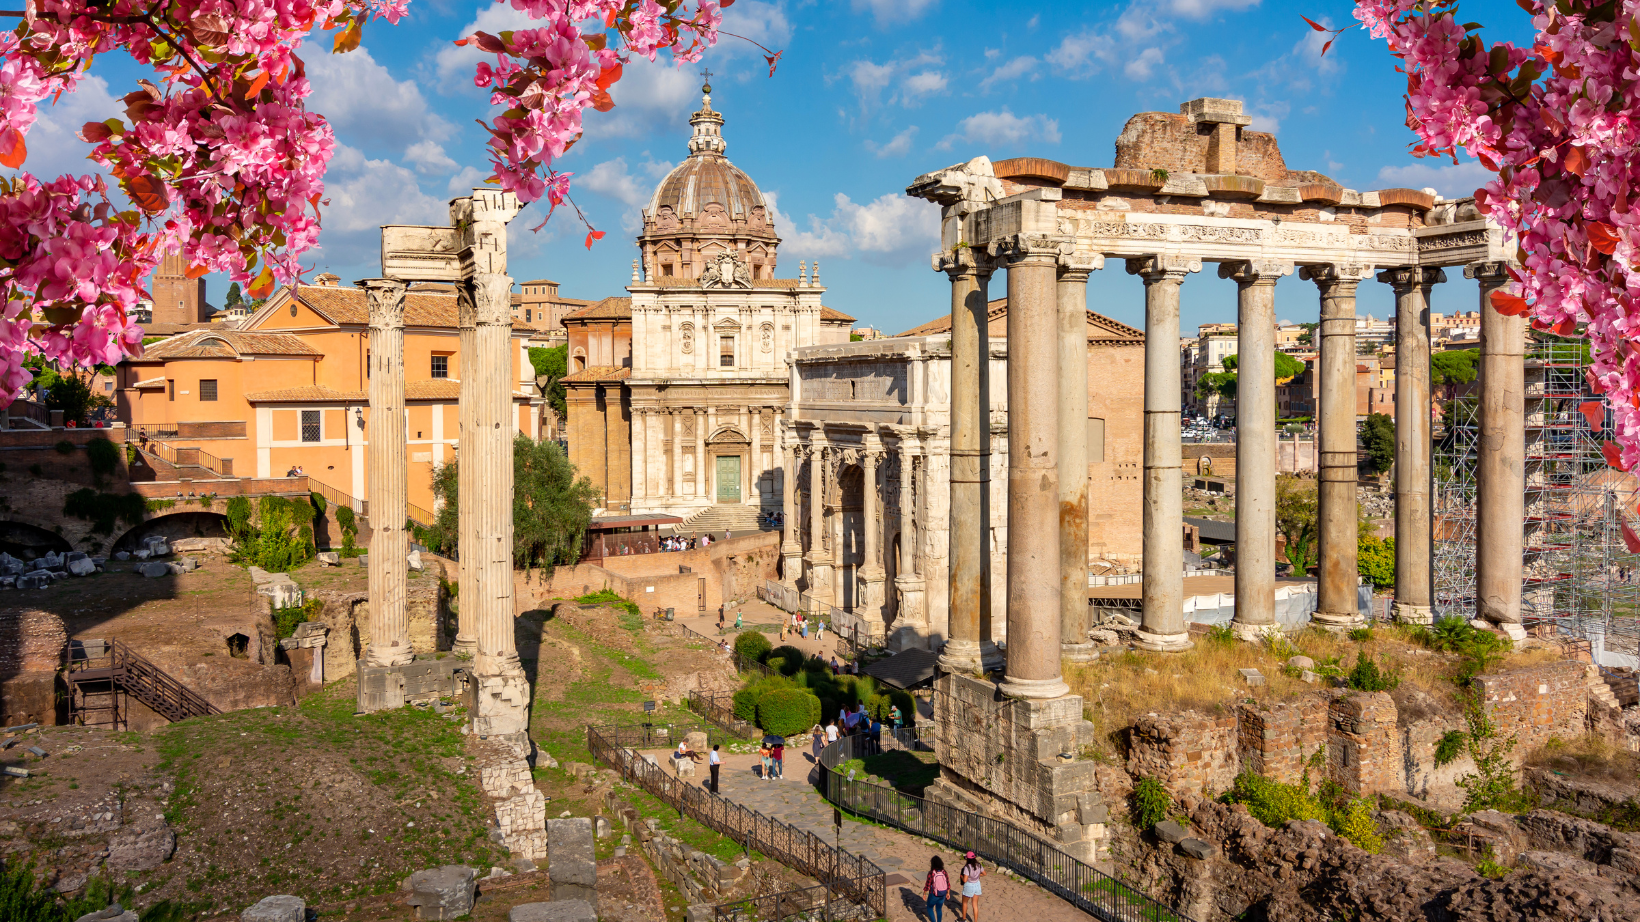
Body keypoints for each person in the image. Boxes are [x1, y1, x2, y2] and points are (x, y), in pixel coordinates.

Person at [922, 856, 951, 922]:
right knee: (939, 909)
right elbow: (948, 883)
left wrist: (924, 894)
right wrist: (948, 893)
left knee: (929, 908)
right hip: (943, 894)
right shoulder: (944, 872)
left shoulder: (931, 873)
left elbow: (927, 885)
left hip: (934, 895)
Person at [959, 852, 985, 922]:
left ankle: (964, 919)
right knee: (975, 905)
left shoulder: (967, 867)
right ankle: (975, 921)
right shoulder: (979, 865)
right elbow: (984, 873)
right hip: (977, 885)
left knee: (964, 902)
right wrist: (977, 876)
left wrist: (961, 877)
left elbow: (965, 880)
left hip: (969, 886)